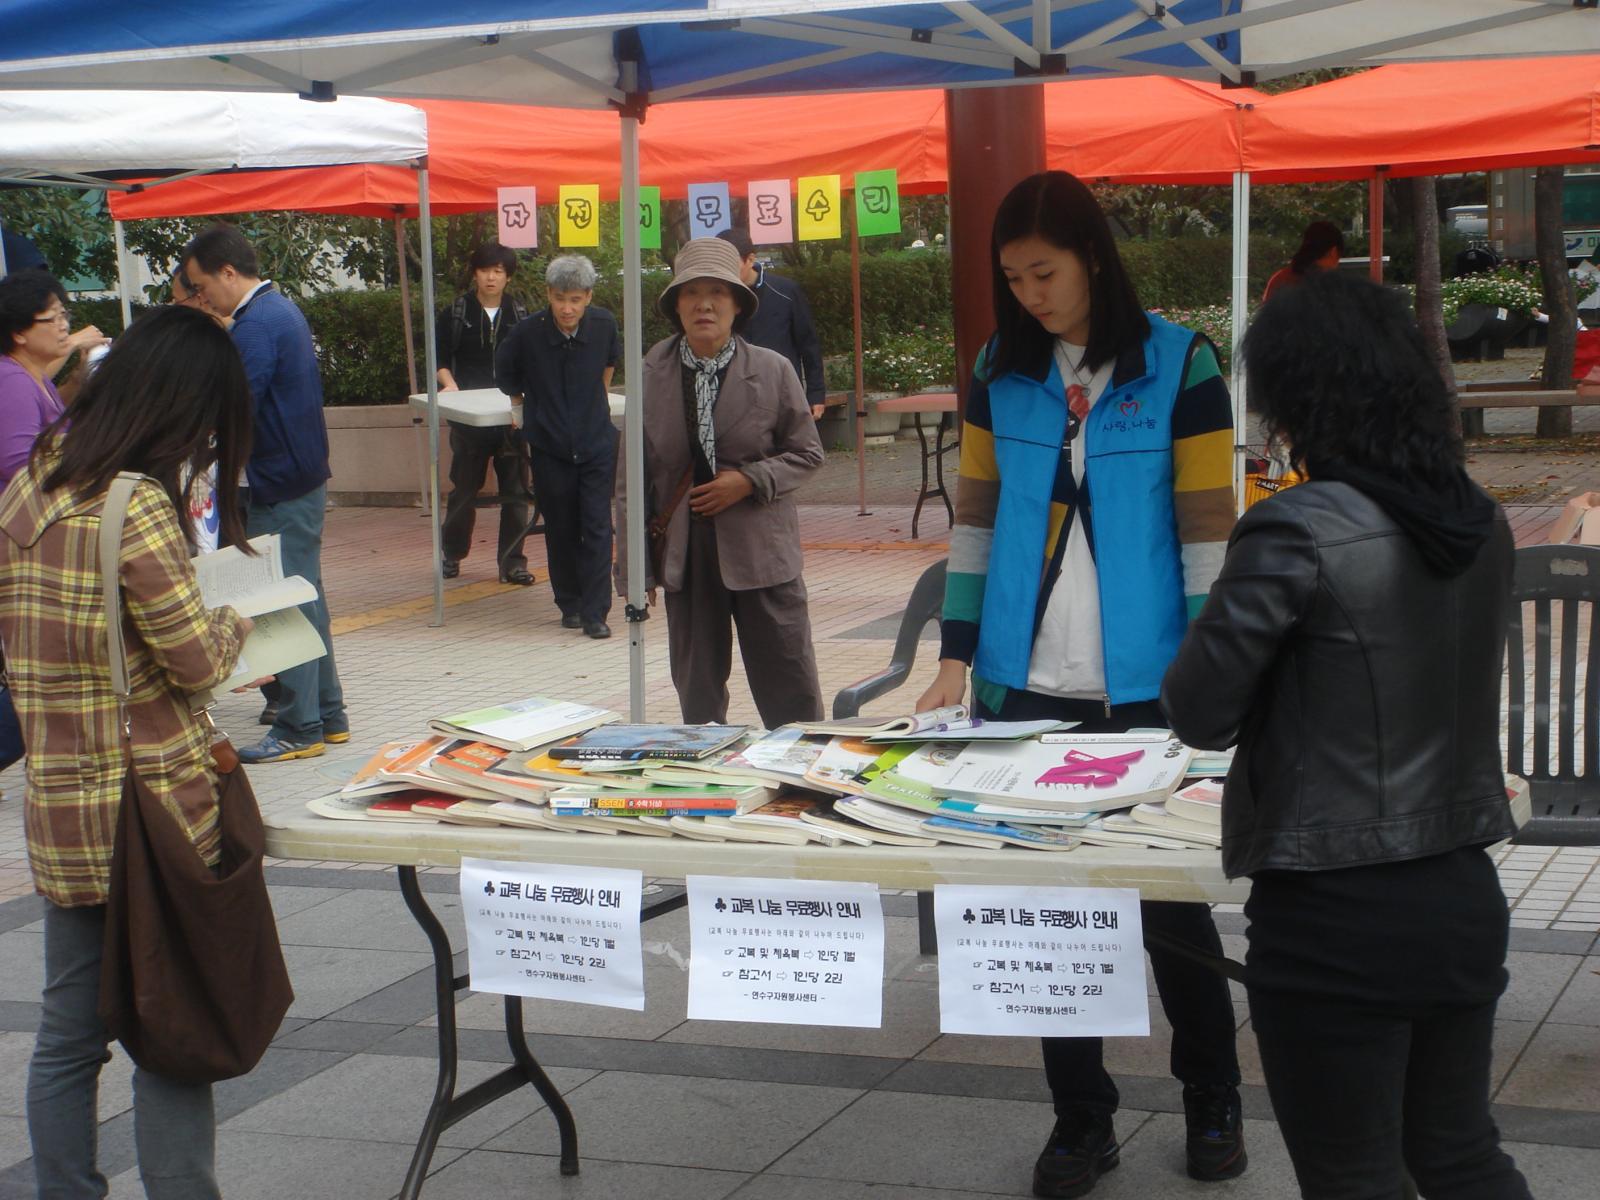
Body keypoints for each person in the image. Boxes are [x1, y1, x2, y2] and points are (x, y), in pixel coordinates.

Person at [1161, 271, 1532, 1200]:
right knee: (1459, 1156)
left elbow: (1199, 709)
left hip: (1333, 912)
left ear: (1298, 397)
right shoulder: (1480, 521)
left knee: (1353, 1176)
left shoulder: (1296, 527)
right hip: (1460, 889)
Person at [915, 171, 1243, 1199]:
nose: (1029, 295)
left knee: (1168, 907)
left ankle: (1211, 1097)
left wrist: (1214, 676)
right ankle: (1080, 1119)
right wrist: (954, 657)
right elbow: (973, 520)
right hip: (1024, 688)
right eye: (1012, 279)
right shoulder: (996, 370)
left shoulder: (1179, 361)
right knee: (1047, 913)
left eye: (1043, 273)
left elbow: (1205, 529)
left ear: (1093, 257)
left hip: (1151, 687)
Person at [0, 305, 256, 1199]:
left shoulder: (29, 484)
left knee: (68, 1031)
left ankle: (64, 1190)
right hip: (148, 813)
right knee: (171, 1028)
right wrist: (235, 622)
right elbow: (191, 659)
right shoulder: (134, 502)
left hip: (62, 811)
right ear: (179, 406)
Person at [617, 237, 825, 726]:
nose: (704, 304)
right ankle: (709, 787)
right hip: (687, 555)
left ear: (737, 304)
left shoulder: (772, 370)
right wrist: (634, 571)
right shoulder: (649, 374)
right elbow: (631, 480)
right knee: (699, 696)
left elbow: (808, 453)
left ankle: (799, 782)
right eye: (691, 293)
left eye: (717, 292)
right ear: (676, 305)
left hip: (763, 553)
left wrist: (749, 480)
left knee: (790, 690)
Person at [181, 223, 348, 763]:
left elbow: (233, 407)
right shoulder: (279, 310)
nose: (203, 296)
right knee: (307, 595)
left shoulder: (256, 324)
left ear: (229, 272)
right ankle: (327, 713)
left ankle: (301, 727)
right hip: (294, 478)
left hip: (279, 482)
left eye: (203, 284)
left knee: (283, 601)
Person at [497, 254, 619, 638]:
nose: (568, 308)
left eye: (576, 300)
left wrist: (591, 405)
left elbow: (609, 366)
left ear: (588, 297)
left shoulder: (604, 325)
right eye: (561, 298)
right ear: (549, 294)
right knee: (561, 525)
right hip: (550, 444)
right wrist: (523, 408)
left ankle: (596, 611)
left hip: (596, 442)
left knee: (598, 526)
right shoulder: (527, 332)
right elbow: (506, 376)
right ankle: (569, 603)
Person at [435, 241, 533, 585]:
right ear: (474, 273)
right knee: (464, 487)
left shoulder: (522, 314)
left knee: (517, 491)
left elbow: (531, 362)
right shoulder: (456, 312)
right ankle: (452, 553)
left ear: (508, 277)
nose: (491, 277)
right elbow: (440, 358)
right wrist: (449, 385)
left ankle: (513, 562)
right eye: (485, 270)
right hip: (469, 419)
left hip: (511, 416)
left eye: (498, 271)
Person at [0, 269, 108, 490]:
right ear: (19, 332)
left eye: (64, 315)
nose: (64, 326)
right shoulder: (12, 380)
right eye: (52, 319)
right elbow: (19, 465)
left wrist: (80, 377)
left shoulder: (34, 376)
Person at [717, 229, 827, 418]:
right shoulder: (716, 299)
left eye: (730, 263)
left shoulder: (785, 291)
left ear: (750, 259)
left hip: (782, 392)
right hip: (733, 397)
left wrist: (816, 393)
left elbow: (808, 344)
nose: (724, 269)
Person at [1261, 219, 1343, 303]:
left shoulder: (1279, 279)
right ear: (1333, 252)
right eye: (1338, 258)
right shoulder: (1329, 288)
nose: (1336, 266)